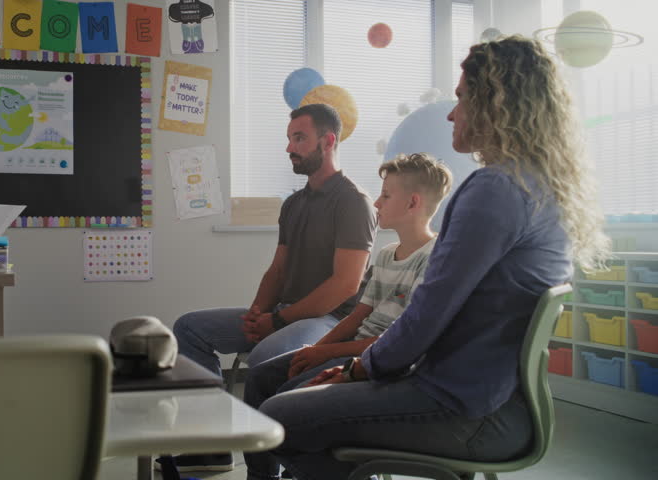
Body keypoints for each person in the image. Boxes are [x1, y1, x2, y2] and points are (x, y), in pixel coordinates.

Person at [249, 35, 612, 480]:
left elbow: (424, 317)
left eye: (461, 98)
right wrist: (357, 365)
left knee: (279, 414)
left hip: (466, 410)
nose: (452, 112)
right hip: (491, 399)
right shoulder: (541, 188)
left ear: (495, 103)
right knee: (281, 390)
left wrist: (357, 369)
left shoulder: (495, 189)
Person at [165, 103, 377, 472]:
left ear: (327, 142)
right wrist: (257, 314)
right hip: (285, 315)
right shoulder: (293, 203)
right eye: (289, 138)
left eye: (299, 138)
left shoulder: (353, 202)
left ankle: (269, 467)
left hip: (330, 321)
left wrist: (277, 322)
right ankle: (213, 445)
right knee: (190, 328)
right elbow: (278, 269)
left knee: (265, 359)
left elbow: (345, 285)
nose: (289, 147)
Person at [242, 152, 452, 480]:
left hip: (375, 359)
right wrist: (313, 351)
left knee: (289, 395)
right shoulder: (384, 255)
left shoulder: (434, 259)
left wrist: (324, 353)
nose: (378, 204)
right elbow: (357, 317)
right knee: (258, 379)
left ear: (412, 203)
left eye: (385, 196)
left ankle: (301, 469)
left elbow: (397, 341)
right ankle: (260, 475)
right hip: (349, 347)